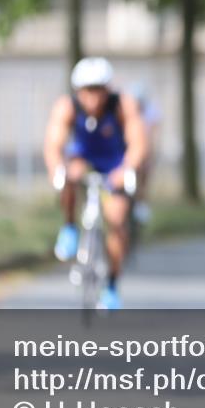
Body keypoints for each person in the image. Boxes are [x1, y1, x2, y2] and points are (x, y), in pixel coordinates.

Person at [43, 57, 149, 310]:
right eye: (87, 91)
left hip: (115, 164)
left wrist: (127, 169)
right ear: (78, 91)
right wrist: (57, 170)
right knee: (68, 176)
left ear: (107, 89)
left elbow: (138, 142)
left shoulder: (123, 104)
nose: (94, 97)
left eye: (99, 89)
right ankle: (69, 227)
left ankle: (112, 283)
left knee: (116, 218)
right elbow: (53, 144)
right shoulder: (66, 107)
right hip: (83, 158)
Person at [126, 83, 163, 224]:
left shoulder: (150, 112)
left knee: (142, 180)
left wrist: (150, 156)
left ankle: (140, 206)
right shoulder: (127, 110)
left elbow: (152, 138)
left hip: (145, 152)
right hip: (130, 150)